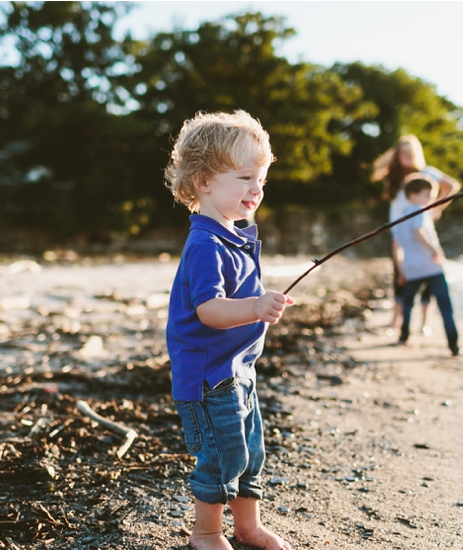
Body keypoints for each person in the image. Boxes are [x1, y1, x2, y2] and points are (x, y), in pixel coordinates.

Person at [164, 110, 294, 551]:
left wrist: (260, 306)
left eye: (260, 178)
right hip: (208, 378)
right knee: (221, 458)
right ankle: (206, 533)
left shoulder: (234, 236)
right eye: (244, 177)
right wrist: (257, 306)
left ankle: (247, 527)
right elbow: (210, 311)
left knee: (250, 453)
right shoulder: (205, 243)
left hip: (238, 372)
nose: (256, 188)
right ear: (203, 181)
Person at [372, 135, 461, 337]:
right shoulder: (393, 178)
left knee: (428, 269)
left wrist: (437, 208)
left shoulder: (427, 172)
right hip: (398, 230)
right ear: (397, 155)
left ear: (416, 154)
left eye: (410, 152)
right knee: (400, 272)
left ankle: (424, 322)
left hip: (420, 228)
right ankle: (397, 319)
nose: (406, 156)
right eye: (402, 152)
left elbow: (453, 186)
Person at [391, 177, 460, 356]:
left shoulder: (400, 217)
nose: (430, 199)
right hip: (431, 267)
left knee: (408, 304)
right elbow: (418, 231)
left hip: (411, 269)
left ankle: (403, 337)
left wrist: (400, 270)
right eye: (427, 195)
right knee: (445, 307)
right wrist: (435, 250)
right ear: (413, 195)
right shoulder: (419, 211)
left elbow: (396, 246)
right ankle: (454, 345)